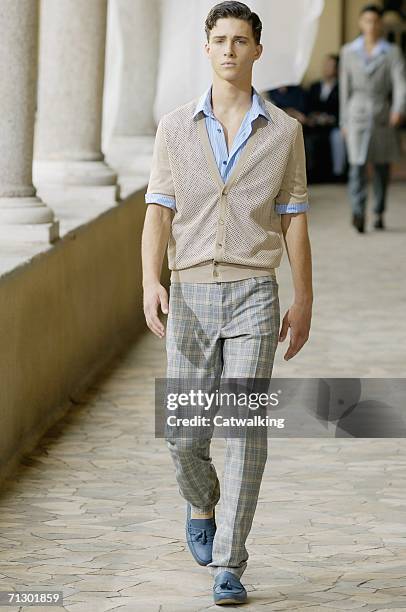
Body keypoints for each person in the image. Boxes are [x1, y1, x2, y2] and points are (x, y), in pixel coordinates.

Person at [141, 1, 313, 605]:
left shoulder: (285, 131)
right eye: (220, 39)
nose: (230, 49)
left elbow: (294, 221)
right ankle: (201, 501)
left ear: (257, 51)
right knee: (185, 434)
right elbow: (157, 211)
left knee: (244, 430)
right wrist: (150, 281)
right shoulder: (174, 127)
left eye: (241, 40)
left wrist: (303, 299)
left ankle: (230, 562)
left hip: (253, 296)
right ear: (206, 48)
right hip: (188, 290)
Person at [339, 3, 406, 233]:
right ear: (361, 23)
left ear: (381, 25)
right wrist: (343, 121)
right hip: (356, 111)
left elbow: (400, 83)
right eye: (367, 21)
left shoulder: (392, 51)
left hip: (382, 113)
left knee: (381, 167)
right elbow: (344, 88)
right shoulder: (348, 51)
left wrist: (398, 108)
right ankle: (358, 211)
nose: (371, 25)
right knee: (356, 166)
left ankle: (378, 211)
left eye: (375, 21)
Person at [307, 54, 347, 181]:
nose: (327, 68)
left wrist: (331, 119)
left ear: (337, 69)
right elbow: (309, 106)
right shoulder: (314, 86)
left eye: (331, 66)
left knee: (338, 137)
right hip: (315, 124)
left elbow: (343, 109)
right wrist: (314, 117)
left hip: (334, 124)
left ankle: (338, 173)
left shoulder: (342, 88)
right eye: (326, 65)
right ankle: (310, 173)